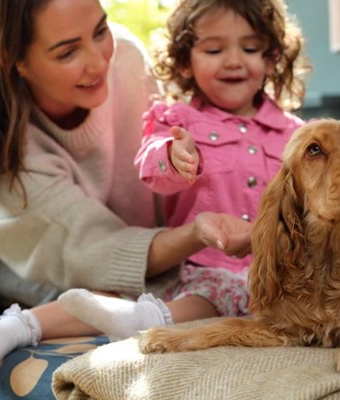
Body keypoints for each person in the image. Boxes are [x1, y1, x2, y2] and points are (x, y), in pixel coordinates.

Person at [0, 0, 252, 377]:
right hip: (36, 255)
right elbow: (100, 256)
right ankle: (15, 327)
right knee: (126, 293)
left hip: (148, 249)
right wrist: (200, 233)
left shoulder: (126, 60)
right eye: (68, 51)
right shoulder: (2, 145)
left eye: (101, 31)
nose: (99, 60)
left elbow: (163, 156)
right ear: (14, 59)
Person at [60, 0, 310, 335]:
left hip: (286, 270)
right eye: (213, 50)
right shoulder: (176, 122)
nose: (234, 61)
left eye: (250, 48)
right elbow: (152, 172)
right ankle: (146, 322)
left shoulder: (298, 134)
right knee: (213, 293)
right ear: (185, 63)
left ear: (271, 57)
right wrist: (175, 155)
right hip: (209, 267)